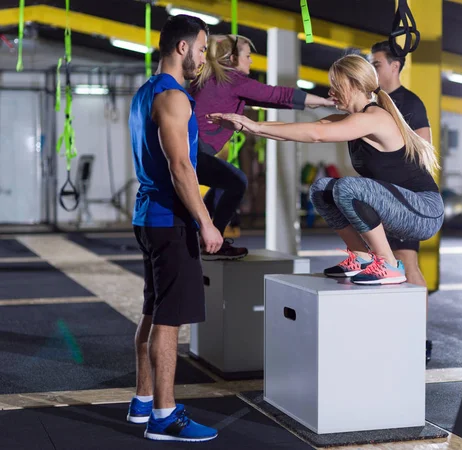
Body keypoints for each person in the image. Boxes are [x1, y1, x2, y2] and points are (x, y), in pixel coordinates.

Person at [208, 54, 444, 287]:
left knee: (346, 187)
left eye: (335, 85)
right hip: (397, 204)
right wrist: (245, 125)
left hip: (424, 210)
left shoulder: (375, 117)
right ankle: (362, 256)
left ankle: (389, 264)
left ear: (352, 84)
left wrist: (255, 126)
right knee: (322, 189)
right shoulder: (353, 119)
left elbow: (316, 135)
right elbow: (300, 128)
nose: (330, 92)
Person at [127, 15, 221, 442]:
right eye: (201, 49)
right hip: (169, 221)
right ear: (182, 48)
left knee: (153, 310)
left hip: (147, 217)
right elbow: (180, 166)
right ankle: (164, 417)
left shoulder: (145, 93)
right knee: (169, 322)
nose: (203, 58)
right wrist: (205, 222)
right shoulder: (172, 98)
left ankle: (142, 401)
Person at [190, 34, 334, 260]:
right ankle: (213, 240)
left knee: (223, 182)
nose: (251, 61)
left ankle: (200, 233)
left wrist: (314, 102)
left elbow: (270, 99)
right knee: (237, 181)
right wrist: (326, 101)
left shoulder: (212, 79)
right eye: (247, 56)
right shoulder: (232, 80)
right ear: (232, 58)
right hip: (194, 151)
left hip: (192, 149)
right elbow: (278, 94)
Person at [370, 40, 434, 362]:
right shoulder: (373, 102)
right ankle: (390, 333)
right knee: (383, 265)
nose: (373, 69)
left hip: (406, 198)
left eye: (377, 64)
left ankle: (418, 340)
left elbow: (424, 151)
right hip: (379, 198)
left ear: (395, 66)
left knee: (407, 264)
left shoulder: (410, 103)